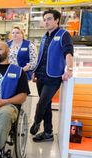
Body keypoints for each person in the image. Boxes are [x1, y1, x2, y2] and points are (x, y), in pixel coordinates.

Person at [30, 10, 74, 142]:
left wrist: (70, 68)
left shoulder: (63, 35)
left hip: (53, 77)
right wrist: (35, 71)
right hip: (41, 76)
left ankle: (36, 122)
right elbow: (41, 56)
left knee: (42, 103)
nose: (46, 22)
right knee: (47, 105)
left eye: (49, 19)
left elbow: (69, 52)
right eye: (44, 19)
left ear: (57, 20)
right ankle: (48, 133)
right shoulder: (45, 36)